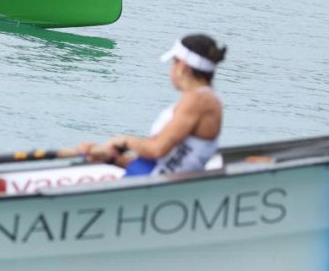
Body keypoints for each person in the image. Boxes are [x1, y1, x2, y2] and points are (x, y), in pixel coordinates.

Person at [77, 34, 225, 177]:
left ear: (182, 66)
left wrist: (123, 141)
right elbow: (158, 165)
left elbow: (157, 149)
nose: (170, 71)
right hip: (148, 180)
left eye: (173, 63)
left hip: (151, 187)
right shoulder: (203, 99)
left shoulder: (198, 101)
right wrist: (112, 158)